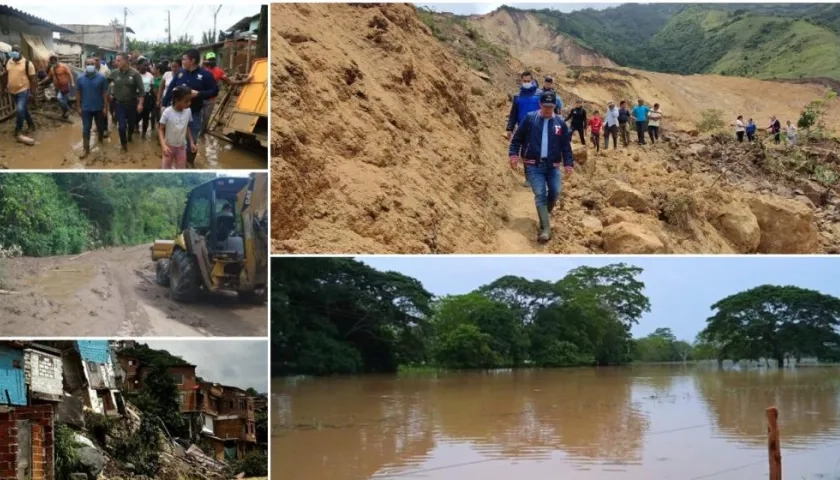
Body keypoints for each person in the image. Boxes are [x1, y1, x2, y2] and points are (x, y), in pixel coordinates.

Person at [508, 91, 574, 243]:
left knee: (555, 191)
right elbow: (517, 139)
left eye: (551, 107)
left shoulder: (560, 123)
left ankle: (544, 215)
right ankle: (545, 228)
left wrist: (568, 164)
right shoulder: (530, 119)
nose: (548, 110)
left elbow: (565, 146)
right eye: (545, 106)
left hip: (553, 166)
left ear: (555, 106)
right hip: (533, 165)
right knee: (540, 194)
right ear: (540, 104)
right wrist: (513, 155)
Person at [162, 48, 220, 167]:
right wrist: (163, 104)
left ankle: (188, 163)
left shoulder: (205, 75)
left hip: (194, 113)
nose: (182, 61)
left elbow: (215, 91)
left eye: (184, 59)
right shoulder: (180, 73)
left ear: (192, 60)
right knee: (173, 139)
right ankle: (174, 161)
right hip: (176, 113)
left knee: (192, 139)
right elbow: (170, 89)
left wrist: (199, 94)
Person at [200, 51, 253, 136]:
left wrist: (244, 81)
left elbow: (229, 82)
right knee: (197, 117)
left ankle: (202, 134)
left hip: (211, 99)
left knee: (206, 118)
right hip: (199, 97)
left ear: (215, 60)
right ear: (206, 60)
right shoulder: (201, 70)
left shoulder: (219, 72)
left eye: (213, 59)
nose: (211, 61)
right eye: (209, 59)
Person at [108, 52, 145, 152]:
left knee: (132, 124)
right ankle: (124, 146)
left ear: (126, 61)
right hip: (119, 104)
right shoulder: (114, 73)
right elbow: (105, 83)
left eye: (119, 60)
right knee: (121, 126)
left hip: (132, 104)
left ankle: (129, 136)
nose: (116, 62)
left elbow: (142, 91)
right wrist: (109, 93)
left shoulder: (135, 74)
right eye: (116, 60)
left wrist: (140, 104)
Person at [76, 57, 109, 159]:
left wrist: (105, 108)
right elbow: (78, 94)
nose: (90, 65)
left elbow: (105, 94)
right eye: (88, 64)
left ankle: (100, 141)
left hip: (99, 108)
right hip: (86, 109)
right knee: (86, 129)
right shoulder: (80, 78)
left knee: (100, 127)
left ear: (95, 65)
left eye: (92, 64)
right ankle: (85, 149)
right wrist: (78, 107)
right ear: (85, 66)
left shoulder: (102, 78)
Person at [2, 44, 37, 136]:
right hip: (12, 91)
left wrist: (32, 93)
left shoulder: (28, 63)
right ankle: (31, 125)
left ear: (20, 52)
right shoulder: (8, 62)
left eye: (16, 50)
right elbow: (5, 76)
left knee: (20, 110)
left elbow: (33, 80)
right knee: (23, 109)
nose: (14, 52)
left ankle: (18, 129)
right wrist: (3, 89)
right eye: (13, 50)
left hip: (23, 90)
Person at [159, 85, 196, 169]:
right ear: (176, 100)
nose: (189, 103)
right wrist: (163, 145)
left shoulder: (188, 111)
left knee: (181, 168)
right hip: (169, 146)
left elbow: (186, 127)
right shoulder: (167, 112)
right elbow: (161, 129)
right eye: (186, 101)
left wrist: (191, 142)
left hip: (182, 146)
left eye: (190, 100)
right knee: (166, 168)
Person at [505, 71, 542, 140]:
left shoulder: (540, 94)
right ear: (521, 81)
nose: (526, 83)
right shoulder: (517, 96)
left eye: (528, 81)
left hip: (537, 129)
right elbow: (513, 114)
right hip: (522, 128)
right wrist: (510, 129)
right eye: (525, 81)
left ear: (532, 80)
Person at [40, 55, 74, 119]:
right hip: (57, 87)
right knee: (61, 101)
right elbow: (48, 77)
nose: (53, 63)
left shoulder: (64, 67)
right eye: (51, 62)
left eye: (53, 61)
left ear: (56, 60)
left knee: (60, 98)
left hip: (65, 86)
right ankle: (65, 113)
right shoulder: (52, 69)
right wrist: (42, 82)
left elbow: (70, 74)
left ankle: (67, 110)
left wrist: (72, 82)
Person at [92, 53, 111, 136]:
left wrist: (109, 93)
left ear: (100, 60)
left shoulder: (105, 70)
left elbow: (110, 81)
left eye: (97, 60)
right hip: (94, 94)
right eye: (94, 60)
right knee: (95, 110)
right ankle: (97, 126)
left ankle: (105, 129)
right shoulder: (90, 69)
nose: (95, 62)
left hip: (103, 94)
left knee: (104, 110)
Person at [137, 61, 156, 139]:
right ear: (139, 66)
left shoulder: (150, 75)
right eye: (143, 65)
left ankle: (144, 133)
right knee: (137, 115)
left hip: (147, 97)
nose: (144, 67)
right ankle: (135, 126)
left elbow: (152, 88)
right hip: (136, 96)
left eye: (146, 65)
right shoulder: (136, 75)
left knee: (146, 116)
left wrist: (155, 99)